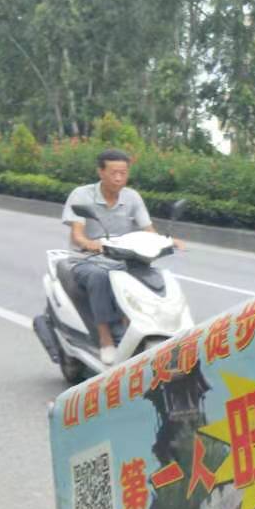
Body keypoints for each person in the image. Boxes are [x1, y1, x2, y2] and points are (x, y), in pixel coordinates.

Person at [61, 149, 182, 364]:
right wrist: (90, 243)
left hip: (124, 258)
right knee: (100, 277)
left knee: (153, 276)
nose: (118, 178)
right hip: (87, 260)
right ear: (101, 172)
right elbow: (77, 235)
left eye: (123, 173)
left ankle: (141, 330)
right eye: (113, 173)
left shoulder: (132, 197)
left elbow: (148, 230)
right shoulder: (82, 195)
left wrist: (167, 241)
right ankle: (105, 339)